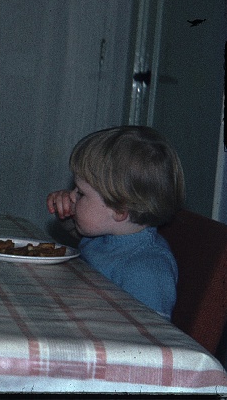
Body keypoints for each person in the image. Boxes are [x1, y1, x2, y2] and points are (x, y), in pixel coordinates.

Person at [46, 125, 185, 320]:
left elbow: (150, 339)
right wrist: (68, 214)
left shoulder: (146, 270)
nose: (71, 195)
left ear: (119, 211)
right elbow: (79, 234)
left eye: (81, 193)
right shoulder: (107, 234)